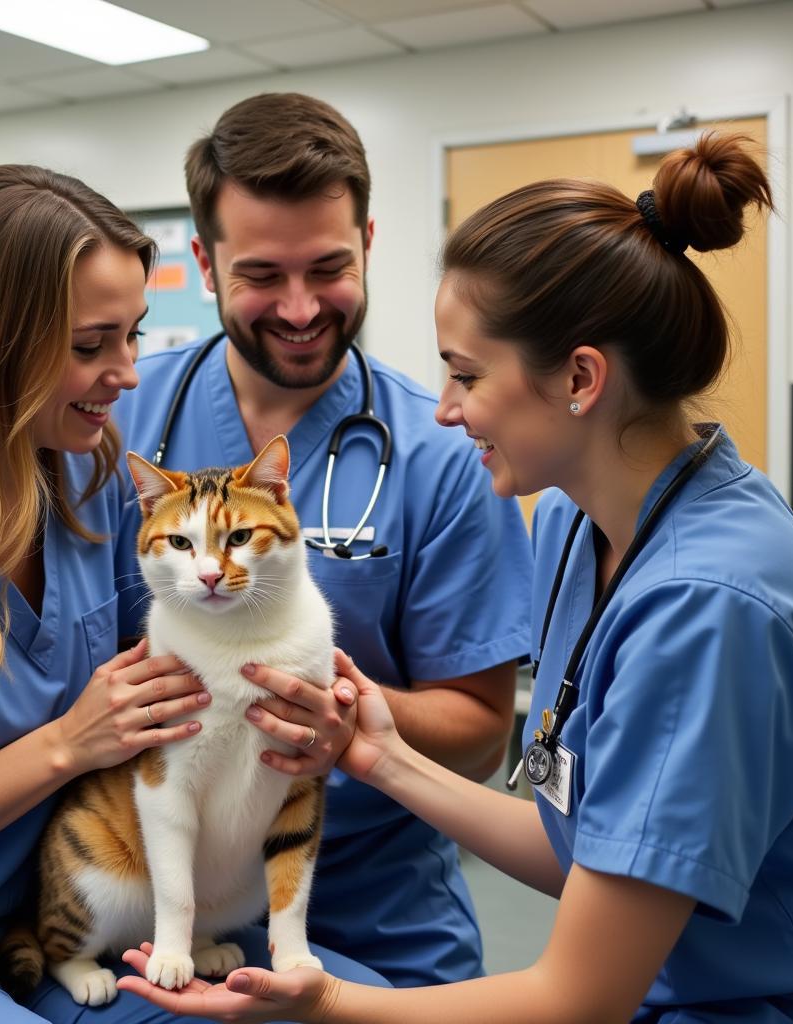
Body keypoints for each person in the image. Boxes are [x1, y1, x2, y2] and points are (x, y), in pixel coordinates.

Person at [116, 133, 793, 1022]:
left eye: (466, 375)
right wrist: (383, 757)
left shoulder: (706, 609)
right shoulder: (571, 522)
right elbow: (595, 846)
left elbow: (577, 999)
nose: (441, 409)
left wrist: (319, 1005)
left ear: (582, 380)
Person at [0, 164, 382, 1024]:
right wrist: (63, 747)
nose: (129, 374)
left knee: (353, 1012)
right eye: (92, 346)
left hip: (71, 909)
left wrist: (296, 729)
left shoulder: (81, 483)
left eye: (133, 336)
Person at [113, 92, 533, 987]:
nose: (301, 309)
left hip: (380, 918)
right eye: (262, 274)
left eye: (329, 268)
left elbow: (483, 731)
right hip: (158, 900)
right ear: (204, 261)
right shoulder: (119, 424)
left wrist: (343, 719)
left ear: (370, 245)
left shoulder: (446, 454)